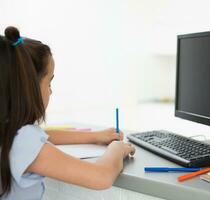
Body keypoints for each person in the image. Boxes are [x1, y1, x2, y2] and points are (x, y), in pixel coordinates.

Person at [0, 26, 135, 200]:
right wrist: (116, 149)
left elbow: (42, 135)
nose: (50, 91)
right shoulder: (23, 142)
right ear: (28, 88)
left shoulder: (8, 132)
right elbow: (100, 176)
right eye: (49, 83)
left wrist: (94, 136)